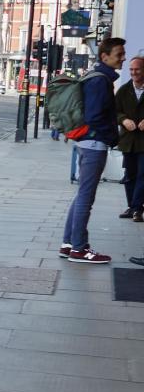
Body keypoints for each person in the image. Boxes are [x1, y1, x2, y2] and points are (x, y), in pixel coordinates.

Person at [60, 37, 127, 263]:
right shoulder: (100, 81)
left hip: (87, 143)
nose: (123, 58)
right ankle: (80, 248)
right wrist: (112, 138)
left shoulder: (95, 77)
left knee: (82, 195)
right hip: (94, 144)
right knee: (86, 198)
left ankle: (69, 243)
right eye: (119, 54)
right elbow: (95, 115)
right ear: (104, 56)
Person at [115, 55, 144, 222]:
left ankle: (137, 208)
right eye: (131, 69)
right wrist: (123, 120)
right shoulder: (124, 90)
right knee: (130, 174)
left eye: (137, 69)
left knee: (142, 174)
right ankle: (133, 207)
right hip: (128, 140)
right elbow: (115, 111)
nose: (133, 72)